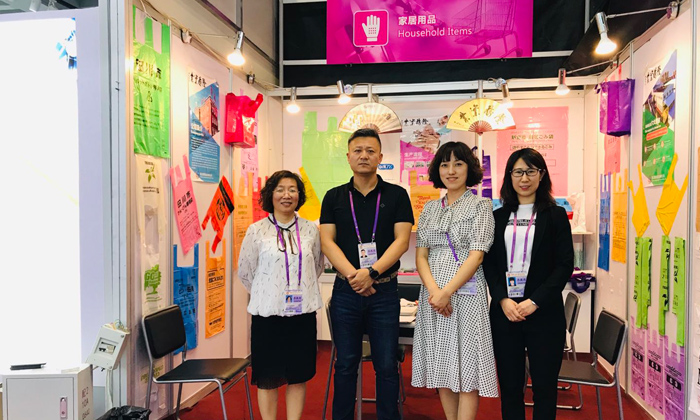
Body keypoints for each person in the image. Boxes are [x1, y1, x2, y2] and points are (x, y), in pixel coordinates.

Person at [320, 128, 414, 420]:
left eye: (370, 151)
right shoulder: (333, 197)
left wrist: (371, 272)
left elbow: (402, 241)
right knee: (346, 363)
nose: (364, 156)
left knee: (386, 364)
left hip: (384, 291)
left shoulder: (397, 195)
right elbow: (327, 242)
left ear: (380, 157)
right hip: (346, 292)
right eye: (358, 150)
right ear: (348, 157)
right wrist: (355, 277)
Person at [482, 148, 574, 420]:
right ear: (509, 176)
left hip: (544, 312)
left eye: (531, 171)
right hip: (506, 312)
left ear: (541, 175)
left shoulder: (555, 215)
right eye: (518, 172)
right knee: (510, 387)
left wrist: (534, 301)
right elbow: (490, 264)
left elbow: (564, 265)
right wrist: (502, 299)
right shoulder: (497, 217)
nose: (524, 178)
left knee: (544, 388)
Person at [411, 141, 498, 420]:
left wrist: (447, 291)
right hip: (434, 297)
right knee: (443, 364)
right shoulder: (429, 209)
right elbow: (421, 255)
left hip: (466, 294)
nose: (451, 171)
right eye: (445, 164)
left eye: (458, 164)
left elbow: (477, 255)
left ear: (469, 169)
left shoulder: (481, 205)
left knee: (468, 365)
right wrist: (435, 292)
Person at [238, 170, 324, 420]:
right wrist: (269, 293)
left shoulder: (311, 230)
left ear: (299, 195)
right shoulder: (256, 230)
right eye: (280, 189)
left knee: (298, 375)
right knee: (267, 377)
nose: (287, 195)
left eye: (292, 190)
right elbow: (245, 272)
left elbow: (317, 266)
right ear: (271, 195)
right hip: (268, 316)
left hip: (302, 315)